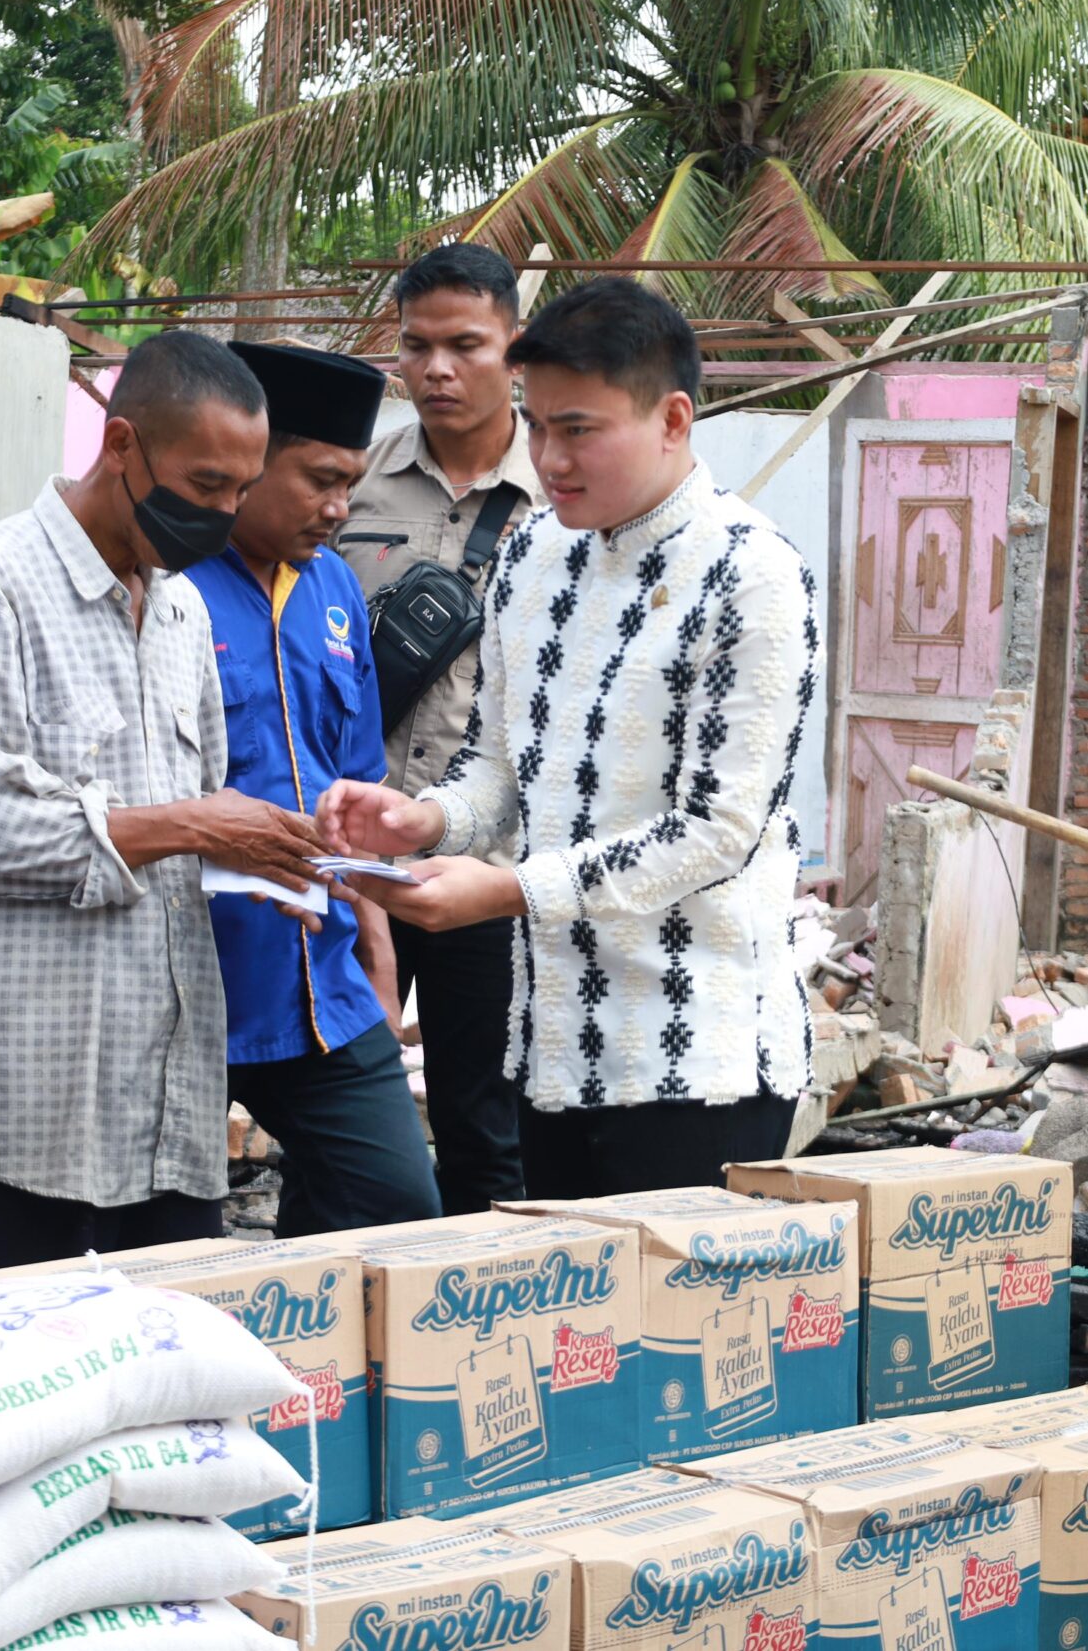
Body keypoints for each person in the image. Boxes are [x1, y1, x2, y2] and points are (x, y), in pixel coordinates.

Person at [320, 278, 821, 1198]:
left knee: (676, 1340)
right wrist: (422, 822)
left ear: (674, 418)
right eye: (538, 424)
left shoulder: (753, 574)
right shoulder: (534, 555)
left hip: (695, 1057)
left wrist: (507, 889)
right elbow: (499, 767)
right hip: (548, 1045)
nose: (549, 457)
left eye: (579, 429)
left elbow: (717, 832)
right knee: (567, 1337)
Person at [0, 330, 331, 1280]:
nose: (225, 511)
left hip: (166, 1096)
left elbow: (199, 812)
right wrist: (193, 826)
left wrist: (273, 854)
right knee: (10, 1385)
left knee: (163, 1402)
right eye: (207, 484)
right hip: (26, 1110)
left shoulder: (182, 611)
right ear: (124, 442)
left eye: (240, 490)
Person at [191, 341, 440, 1235]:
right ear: (250, 460)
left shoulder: (334, 588)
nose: (340, 510)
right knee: (174, 1241)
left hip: (321, 979)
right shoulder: (167, 584)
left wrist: (377, 954)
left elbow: (358, 786)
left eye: (352, 485)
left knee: (391, 1201)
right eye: (320, 481)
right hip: (196, 981)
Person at [338, 245, 540, 1213]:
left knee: (483, 1124)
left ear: (512, 346)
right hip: (356, 849)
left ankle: (473, 1328)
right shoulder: (355, 490)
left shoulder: (565, 498)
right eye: (416, 347)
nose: (436, 370)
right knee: (335, 1108)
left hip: (490, 863)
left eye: (466, 345)